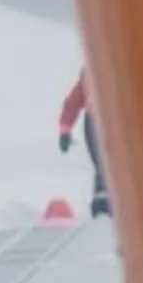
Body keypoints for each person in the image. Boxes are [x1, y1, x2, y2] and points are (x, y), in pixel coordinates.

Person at [58, 68, 110, 217]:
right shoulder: (91, 71)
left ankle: (108, 205)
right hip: (96, 121)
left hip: (118, 122)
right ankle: (102, 208)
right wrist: (65, 130)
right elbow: (74, 101)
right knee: (103, 165)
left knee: (110, 166)